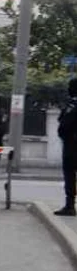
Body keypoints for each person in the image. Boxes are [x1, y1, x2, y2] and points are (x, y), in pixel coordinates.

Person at [56, 78, 77, 216]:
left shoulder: (73, 105)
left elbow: (65, 122)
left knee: (70, 176)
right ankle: (69, 205)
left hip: (72, 145)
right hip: (71, 143)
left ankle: (70, 206)